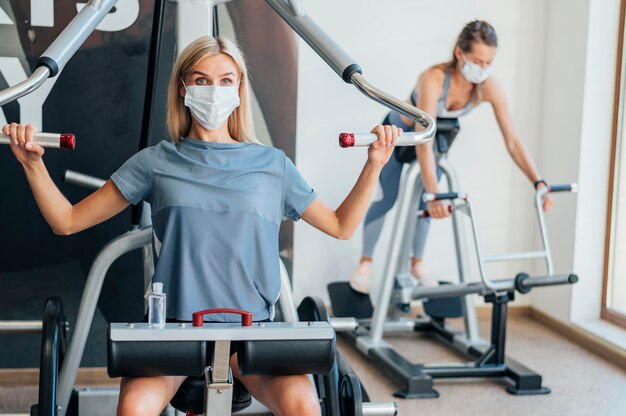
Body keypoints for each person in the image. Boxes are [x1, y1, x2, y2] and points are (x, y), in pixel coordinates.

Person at [3, 36, 401, 416]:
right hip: (174, 331)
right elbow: (67, 221)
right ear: (183, 89)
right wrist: (32, 164)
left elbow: (341, 225)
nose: (215, 90)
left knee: (305, 407)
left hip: (252, 332)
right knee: (132, 409)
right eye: (202, 80)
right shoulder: (156, 161)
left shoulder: (272, 165)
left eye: (226, 80)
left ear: (239, 89)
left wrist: (375, 164)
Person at [349, 20, 554, 294]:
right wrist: (433, 191)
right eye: (477, 60)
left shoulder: (489, 87)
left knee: (426, 203)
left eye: (488, 62)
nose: (482, 68)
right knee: (388, 199)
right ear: (460, 54)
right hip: (401, 137)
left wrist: (538, 182)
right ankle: (365, 263)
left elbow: (514, 142)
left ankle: (416, 263)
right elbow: (423, 137)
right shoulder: (433, 78)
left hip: (434, 143)